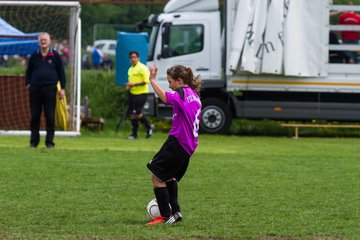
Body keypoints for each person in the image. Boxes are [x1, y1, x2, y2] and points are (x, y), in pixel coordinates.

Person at [145, 64, 202, 225]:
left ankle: (165, 216)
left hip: (178, 142)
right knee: (169, 177)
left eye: (170, 82)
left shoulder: (182, 93)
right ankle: (176, 212)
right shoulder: (194, 95)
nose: (169, 86)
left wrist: (152, 80)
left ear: (179, 80)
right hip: (189, 146)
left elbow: (164, 97)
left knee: (157, 177)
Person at [25, 32, 66, 148]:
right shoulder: (34, 55)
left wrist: (62, 88)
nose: (43, 42)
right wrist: (28, 83)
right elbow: (29, 71)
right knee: (35, 116)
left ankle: (49, 142)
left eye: (45, 40)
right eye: (41, 40)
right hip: (35, 90)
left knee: (50, 116)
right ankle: (34, 142)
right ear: (38, 41)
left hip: (50, 89)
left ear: (49, 41)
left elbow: (61, 73)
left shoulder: (56, 55)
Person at [126, 51, 153, 139]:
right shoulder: (130, 69)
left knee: (137, 113)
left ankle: (149, 128)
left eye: (134, 57)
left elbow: (146, 81)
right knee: (132, 114)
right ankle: (134, 134)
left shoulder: (142, 68)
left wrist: (134, 84)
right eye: (131, 57)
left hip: (141, 93)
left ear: (138, 58)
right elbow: (131, 82)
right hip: (132, 93)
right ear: (129, 59)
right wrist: (128, 86)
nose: (133, 59)